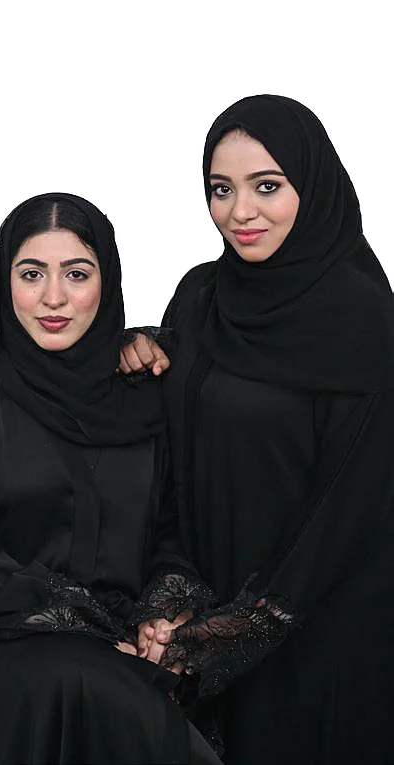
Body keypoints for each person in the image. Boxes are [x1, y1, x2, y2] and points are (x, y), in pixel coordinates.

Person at [0, 193, 223, 765]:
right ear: (3, 281)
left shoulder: (142, 394)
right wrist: (89, 629)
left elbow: (173, 527)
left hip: (123, 645)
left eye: (77, 274)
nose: (54, 297)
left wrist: (160, 614)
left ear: (107, 281)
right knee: (88, 684)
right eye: (32, 274)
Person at [121, 95, 394, 765]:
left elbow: (353, 507)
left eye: (266, 186)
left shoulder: (364, 321)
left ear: (313, 186)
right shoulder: (200, 297)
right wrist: (131, 353)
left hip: (318, 637)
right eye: (221, 189)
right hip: (201, 617)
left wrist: (241, 627)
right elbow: (177, 452)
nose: (239, 211)